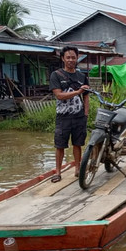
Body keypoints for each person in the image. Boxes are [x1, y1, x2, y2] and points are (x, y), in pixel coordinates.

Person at [49, 46, 90, 183]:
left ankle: (78, 169)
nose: (71, 60)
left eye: (73, 57)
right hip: (63, 117)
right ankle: (58, 172)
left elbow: (86, 97)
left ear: (77, 58)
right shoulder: (56, 75)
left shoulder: (81, 76)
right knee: (59, 145)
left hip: (79, 116)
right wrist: (77, 92)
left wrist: (86, 114)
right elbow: (59, 95)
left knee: (78, 144)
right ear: (63, 59)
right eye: (68, 57)